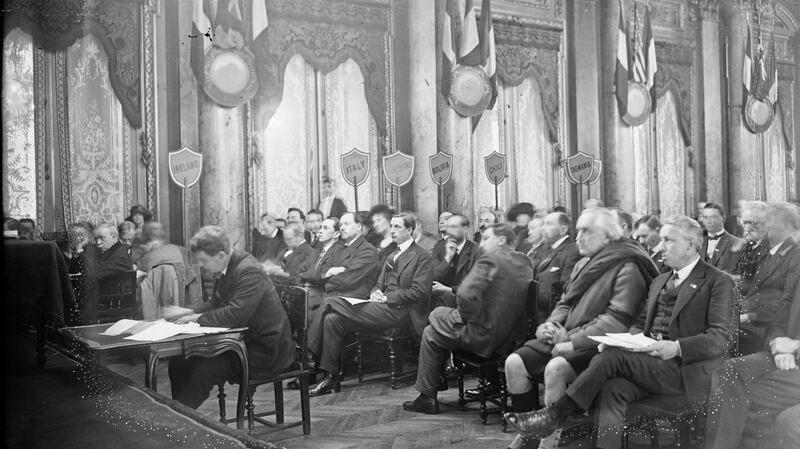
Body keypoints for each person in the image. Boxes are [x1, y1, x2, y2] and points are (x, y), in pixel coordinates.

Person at [507, 215, 733, 449]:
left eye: (668, 240)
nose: (661, 246)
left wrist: (676, 347)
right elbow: (640, 323)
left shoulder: (718, 281)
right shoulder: (661, 280)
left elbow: (720, 338)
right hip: (650, 364)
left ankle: (553, 415)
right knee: (611, 389)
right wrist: (621, 341)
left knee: (609, 358)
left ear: (690, 244)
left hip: (685, 370)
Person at [503, 208, 658, 449]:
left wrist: (570, 338)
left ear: (608, 236)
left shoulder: (628, 267)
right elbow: (565, 302)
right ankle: (530, 434)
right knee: (514, 362)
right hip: (567, 336)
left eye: (587, 232)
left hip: (600, 344)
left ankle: (549, 440)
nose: (579, 238)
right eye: (578, 231)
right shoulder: (584, 263)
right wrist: (550, 325)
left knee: (556, 369)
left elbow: (615, 321)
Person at [402, 223, 533, 415]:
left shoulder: (490, 260)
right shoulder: (524, 261)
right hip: (512, 338)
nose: (481, 243)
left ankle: (428, 395)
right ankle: (430, 391)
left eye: (486, 238)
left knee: (434, 317)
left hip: (484, 336)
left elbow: (465, 294)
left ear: (502, 240)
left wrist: (464, 317)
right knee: (432, 332)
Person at [167, 226, 295, 409]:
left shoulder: (248, 270)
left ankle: (181, 419)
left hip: (264, 351)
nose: (201, 266)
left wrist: (197, 318)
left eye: (203, 260)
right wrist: (186, 312)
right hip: (244, 342)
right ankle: (179, 413)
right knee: (180, 359)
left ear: (220, 255)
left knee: (203, 368)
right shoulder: (229, 265)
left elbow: (235, 314)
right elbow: (216, 304)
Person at [308, 213, 433, 396]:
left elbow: (419, 291)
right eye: (391, 226)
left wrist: (387, 298)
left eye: (397, 227)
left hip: (401, 311)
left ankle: (309, 354)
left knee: (329, 301)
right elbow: (377, 284)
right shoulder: (392, 255)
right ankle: (331, 377)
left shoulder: (421, 256)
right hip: (381, 308)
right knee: (332, 320)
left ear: (410, 230)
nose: (392, 230)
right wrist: (375, 292)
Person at [705, 250, 800, 449]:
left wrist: (796, 346)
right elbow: (777, 323)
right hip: (781, 356)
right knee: (728, 372)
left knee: (736, 399)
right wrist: (778, 344)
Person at [738, 202, 800, 355]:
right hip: (757, 322)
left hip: (768, 329)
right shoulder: (771, 253)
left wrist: (748, 317)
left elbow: (784, 302)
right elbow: (756, 289)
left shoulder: (794, 256)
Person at [532, 212, 582, 324]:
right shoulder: (544, 249)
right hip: (538, 316)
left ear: (563, 229)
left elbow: (567, 288)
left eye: (548, 224)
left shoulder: (572, 251)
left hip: (555, 318)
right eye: (543, 224)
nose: (543, 228)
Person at [430, 214, 481, 309]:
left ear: (465, 229)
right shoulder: (439, 247)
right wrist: (448, 258)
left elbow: (476, 286)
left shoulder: (476, 251)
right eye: (448, 227)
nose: (450, 231)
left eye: (454, 227)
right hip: (442, 301)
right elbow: (434, 276)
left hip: (468, 302)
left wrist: (449, 289)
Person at [699, 202, 744, 274]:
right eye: (706, 217)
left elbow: (743, 277)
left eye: (713, 217)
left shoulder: (739, 243)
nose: (709, 221)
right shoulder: (697, 244)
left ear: (723, 218)